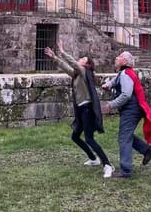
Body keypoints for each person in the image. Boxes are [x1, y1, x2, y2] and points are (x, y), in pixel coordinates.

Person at [44, 43, 114, 178]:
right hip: (81, 110)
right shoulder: (77, 75)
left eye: (83, 59)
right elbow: (67, 68)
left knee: (89, 139)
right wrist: (54, 57)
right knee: (75, 136)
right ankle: (94, 159)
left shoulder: (85, 72)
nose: (80, 60)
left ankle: (107, 165)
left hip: (87, 109)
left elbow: (74, 64)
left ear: (87, 65)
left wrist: (63, 52)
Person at [101, 50, 151, 178]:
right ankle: (146, 150)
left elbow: (126, 95)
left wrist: (111, 105)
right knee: (126, 135)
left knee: (124, 138)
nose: (116, 58)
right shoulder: (124, 73)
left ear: (124, 61)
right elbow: (115, 80)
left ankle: (126, 170)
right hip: (134, 108)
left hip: (131, 109)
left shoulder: (126, 74)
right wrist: (108, 85)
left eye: (120, 56)